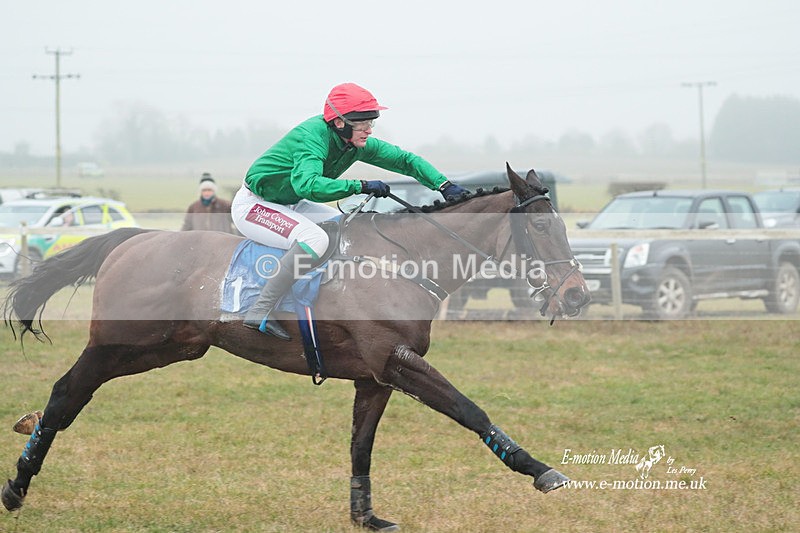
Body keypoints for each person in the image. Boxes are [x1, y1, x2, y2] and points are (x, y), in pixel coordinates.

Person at [232, 82, 469, 339]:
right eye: (363, 123)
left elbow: (405, 160)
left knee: (350, 228)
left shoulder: (352, 142)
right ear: (339, 123)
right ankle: (260, 309)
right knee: (315, 239)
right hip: (255, 205)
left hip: (291, 202)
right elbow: (308, 185)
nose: (369, 130)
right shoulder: (311, 138)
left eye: (371, 122)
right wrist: (360, 186)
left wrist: (443, 185)